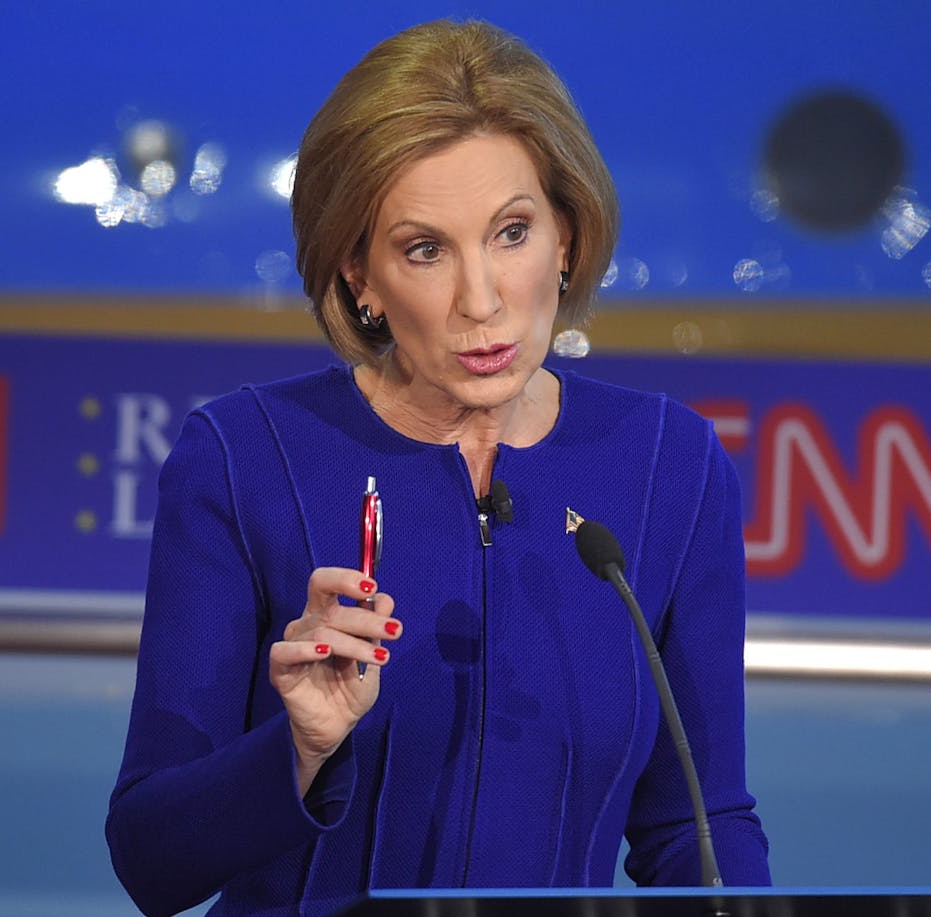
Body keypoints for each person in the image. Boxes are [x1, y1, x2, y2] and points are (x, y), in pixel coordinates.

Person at [106, 18, 770, 916]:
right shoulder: (241, 457)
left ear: (567, 238)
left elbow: (696, 824)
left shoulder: (669, 464)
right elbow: (152, 858)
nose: (483, 299)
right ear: (358, 276)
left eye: (512, 232)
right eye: (426, 249)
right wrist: (298, 747)